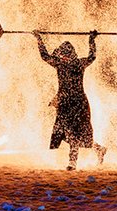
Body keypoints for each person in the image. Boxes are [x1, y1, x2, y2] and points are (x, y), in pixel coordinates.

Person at [34, 29, 107, 170]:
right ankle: (98, 149)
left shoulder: (70, 64)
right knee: (66, 133)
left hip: (77, 103)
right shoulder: (68, 64)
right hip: (67, 102)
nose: (61, 56)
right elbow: (44, 56)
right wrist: (38, 38)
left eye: (63, 54)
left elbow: (92, 57)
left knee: (74, 133)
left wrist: (92, 40)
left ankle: (72, 163)